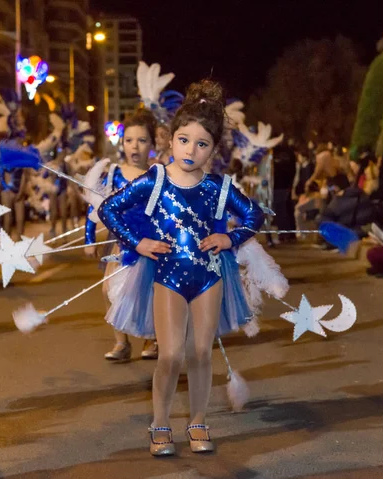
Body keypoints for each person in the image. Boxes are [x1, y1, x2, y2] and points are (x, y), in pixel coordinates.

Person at [98, 80, 264, 456]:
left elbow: (254, 214)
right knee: (170, 355)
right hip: (166, 276)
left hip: (209, 276)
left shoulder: (218, 188)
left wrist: (231, 239)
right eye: (185, 140)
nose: (192, 150)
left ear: (212, 150)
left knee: (201, 354)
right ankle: (160, 422)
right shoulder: (155, 180)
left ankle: (198, 421)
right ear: (170, 140)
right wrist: (137, 243)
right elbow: (110, 209)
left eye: (202, 144)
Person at [84, 109, 159, 361]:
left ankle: (153, 338)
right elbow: (94, 204)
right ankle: (121, 343)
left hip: (151, 242)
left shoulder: (158, 174)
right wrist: (89, 237)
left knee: (149, 292)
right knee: (108, 291)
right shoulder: (114, 173)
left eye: (141, 140)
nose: (134, 146)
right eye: (129, 140)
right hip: (120, 243)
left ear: (151, 143)